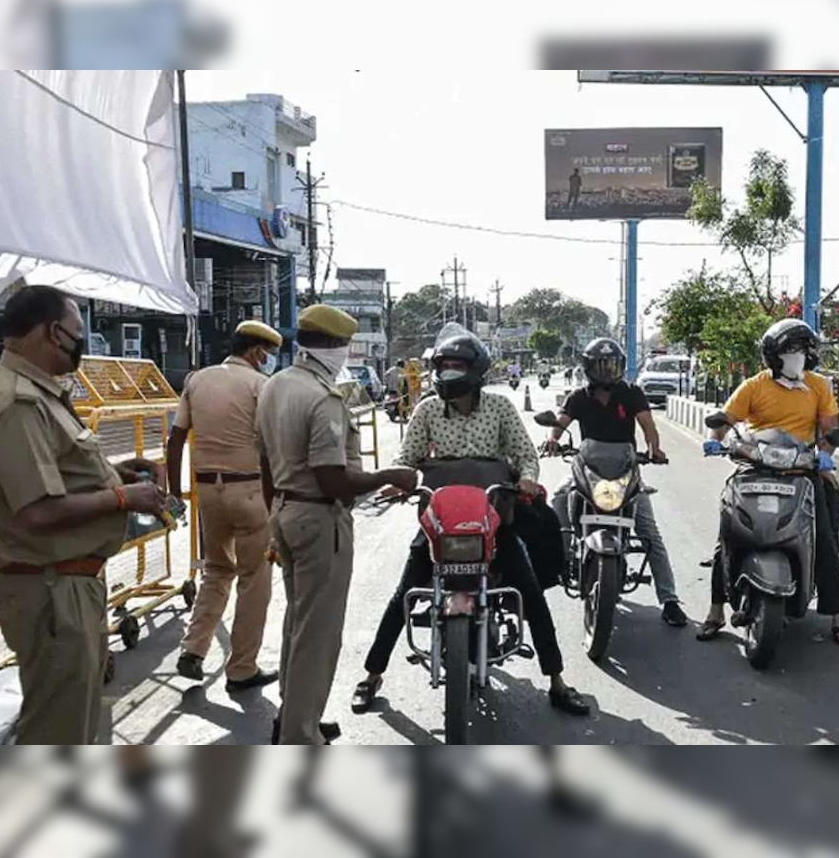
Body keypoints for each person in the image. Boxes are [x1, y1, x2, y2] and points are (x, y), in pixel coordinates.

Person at [351, 328, 591, 717]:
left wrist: (529, 477)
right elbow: (407, 457)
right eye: (442, 367)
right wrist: (400, 482)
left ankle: (558, 681)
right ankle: (372, 676)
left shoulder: (499, 408)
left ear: (474, 371)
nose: (447, 374)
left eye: (455, 367)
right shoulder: (427, 409)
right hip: (440, 522)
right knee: (404, 593)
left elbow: (525, 454)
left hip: (493, 519)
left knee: (530, 592)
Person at [0, 286, 166, 744]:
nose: (82, 344)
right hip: (51, 591)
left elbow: (55, 475)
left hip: (67, 586)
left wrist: (116, 475)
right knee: (57, 732)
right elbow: (36, 510)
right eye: (79, 334)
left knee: (72, 725)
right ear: (54, 333)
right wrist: (123, 499)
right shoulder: (19, 401)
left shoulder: (39, 395)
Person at [256, 304, 418, 744]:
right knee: (318, 637)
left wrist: (275, 515)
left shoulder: (275, 386)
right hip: (318, 516)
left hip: (287, 511)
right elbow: (332, 479)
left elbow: (265, 462)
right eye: (345, 345)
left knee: (297, 624)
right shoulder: (320, 397)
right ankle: (299, 736)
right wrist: (389, 476)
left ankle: (293, 717)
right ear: (334, 346)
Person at [696, 318, 839, 647]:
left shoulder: (818, 386)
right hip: (755, 465)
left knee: (824, 538)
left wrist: (824, 453)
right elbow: (725, 420)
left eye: (802, 351)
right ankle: (715, 611)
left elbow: (829, 430)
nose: (797, 357)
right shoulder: (754, 386)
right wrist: (715, 439)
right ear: (773, 355)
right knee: (728, 532)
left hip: (800, 469)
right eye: (789, 351)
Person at [167, 320, 282, 691]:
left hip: (208, 492)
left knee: (216, 570)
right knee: (254, 579)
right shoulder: (259, 386)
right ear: (256, 352)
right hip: (249, 491)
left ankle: (193, 649)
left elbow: (176, 439)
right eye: (267, 354)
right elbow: (272, 449)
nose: (268, 361)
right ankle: (242, 668)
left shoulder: (197, 380)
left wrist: (174, 492)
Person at [544, 337, 688, 628]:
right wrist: (551, 440)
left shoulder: (632, 393)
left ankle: (669, 599)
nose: (607, 370)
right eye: (601, 365)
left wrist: (654, 450)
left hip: (625, 469)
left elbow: (648, 426)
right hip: (588, 467)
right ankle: (562, 558)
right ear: (588, 367)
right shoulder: (578, 397)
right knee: (558, 499)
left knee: (649, 532)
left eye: (611, 365)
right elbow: (561, 424)